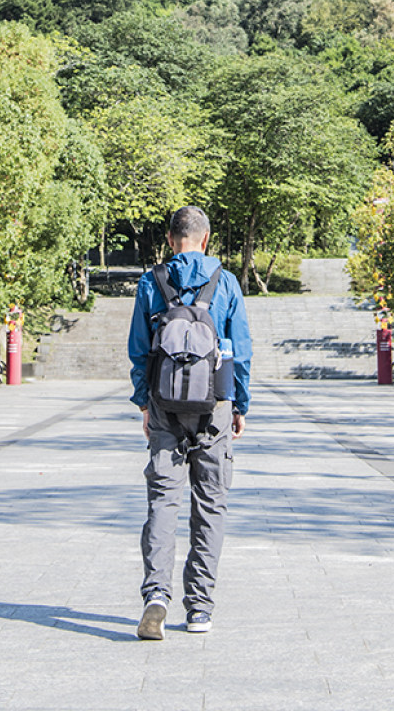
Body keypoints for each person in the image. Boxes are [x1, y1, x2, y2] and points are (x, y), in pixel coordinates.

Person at [127, 206, 251, 641]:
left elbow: (139, 349)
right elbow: (241, 351)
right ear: (207, 238)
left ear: (169, 239)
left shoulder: (151, 282)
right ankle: (199, 607)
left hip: (165, 404)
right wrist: (239, 405)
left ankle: (156, 595)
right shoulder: (226, 282)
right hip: (213, 405)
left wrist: (144, 402)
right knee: (210, 503)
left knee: (163, 501)